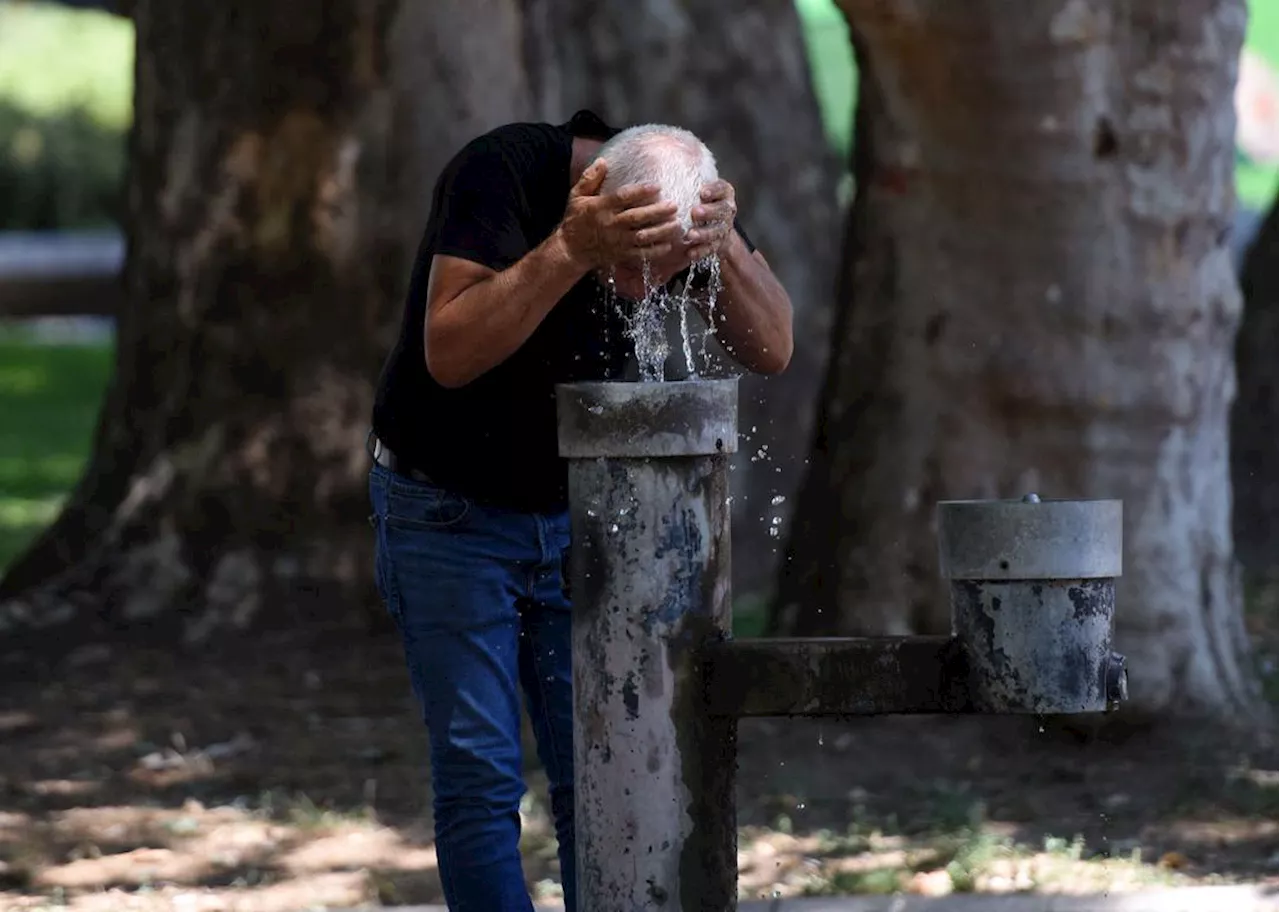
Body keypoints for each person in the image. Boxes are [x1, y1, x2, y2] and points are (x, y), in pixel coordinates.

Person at [366, 108, 794, 911]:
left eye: (666, 273)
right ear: (598, 198)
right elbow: (448, 352)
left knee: (597, 768)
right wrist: (571, 249)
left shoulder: (680, 197)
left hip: (575, 517)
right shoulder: (499, 172)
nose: (645, 291)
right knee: (480, 776)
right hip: (445, 511)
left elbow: (772, 345)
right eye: (632, 263)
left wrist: (722, 248)